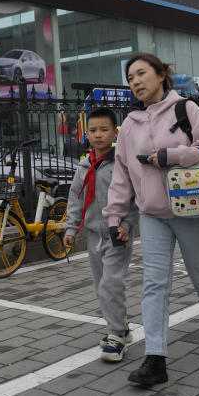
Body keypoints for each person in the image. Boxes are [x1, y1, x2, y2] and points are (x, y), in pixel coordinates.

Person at [103, 53, 199, 386]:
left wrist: (170, 156)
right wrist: (115, 216)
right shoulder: (129, 124)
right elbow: (122, 175)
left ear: (161, 75)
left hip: (192, 210)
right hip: (152, 214)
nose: (135, 82)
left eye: (141, 74)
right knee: (154, 284)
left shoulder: (185, 109)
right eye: (130, 78)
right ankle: (155, 360)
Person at [63, 108, 139, 362]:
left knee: (111, 284)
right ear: (86, 134)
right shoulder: (84, 165)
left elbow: (134, 198)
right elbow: (76, 197)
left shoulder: (122, 163)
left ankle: (116, 334)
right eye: (93, 130)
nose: (98, 135)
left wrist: (127, 225)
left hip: (117, 234)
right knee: (101, 285)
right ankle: (122, 328)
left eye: (104, 130)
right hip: (93, 235)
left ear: (115, 133)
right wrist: (71, 228)